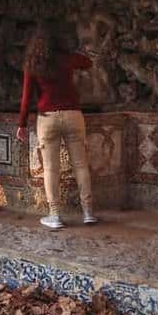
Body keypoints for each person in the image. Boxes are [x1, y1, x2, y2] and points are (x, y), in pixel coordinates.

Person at [16, 22, 98, 229]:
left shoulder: (32, 64)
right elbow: (87, 62)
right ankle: (88, 212)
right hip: (73, 115)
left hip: (47, 118)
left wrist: (22, 124)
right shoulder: (67, 59)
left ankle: (55, 215)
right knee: (80, 164)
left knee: (51, 168)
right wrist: (71, 52)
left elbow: (26, 98)